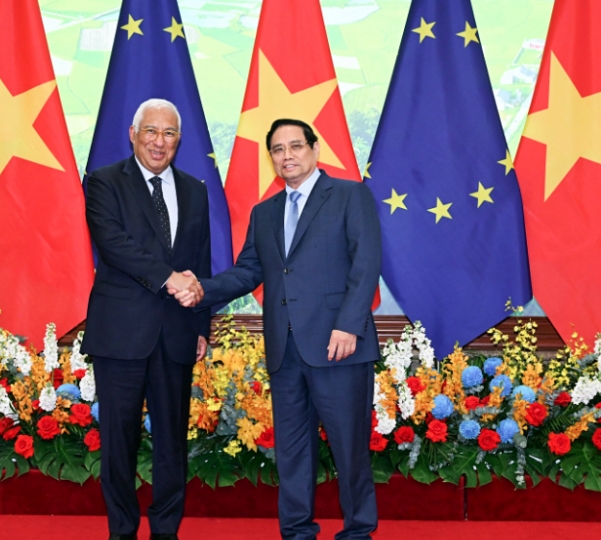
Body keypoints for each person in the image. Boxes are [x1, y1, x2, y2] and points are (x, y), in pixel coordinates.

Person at [174, 118, 381, 539]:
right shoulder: (265, 212)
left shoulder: (348, 195)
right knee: (291, 450)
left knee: (349, 448)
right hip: (284, 350)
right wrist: (201, 291)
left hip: (337, 346)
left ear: (314, 149)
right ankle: (297, 530)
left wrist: (348, 326)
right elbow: (249, 271)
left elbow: (366, 265)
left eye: (295, 146)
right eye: (278, 149)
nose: (287, 155)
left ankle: (359, 530)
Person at [82, 98, 210, 540]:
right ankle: (122, 530)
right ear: (133, 134)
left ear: (179, 140)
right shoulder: (103, 182)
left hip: (176, 333)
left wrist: (201, 325)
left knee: (172, 442)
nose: (160, 142)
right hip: (121, 333)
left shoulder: (196, 189)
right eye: (151, 131)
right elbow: (114, 246)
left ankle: (166, 531)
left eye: (169, 133)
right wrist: (170, 278)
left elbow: (202, 263)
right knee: (120, 440)